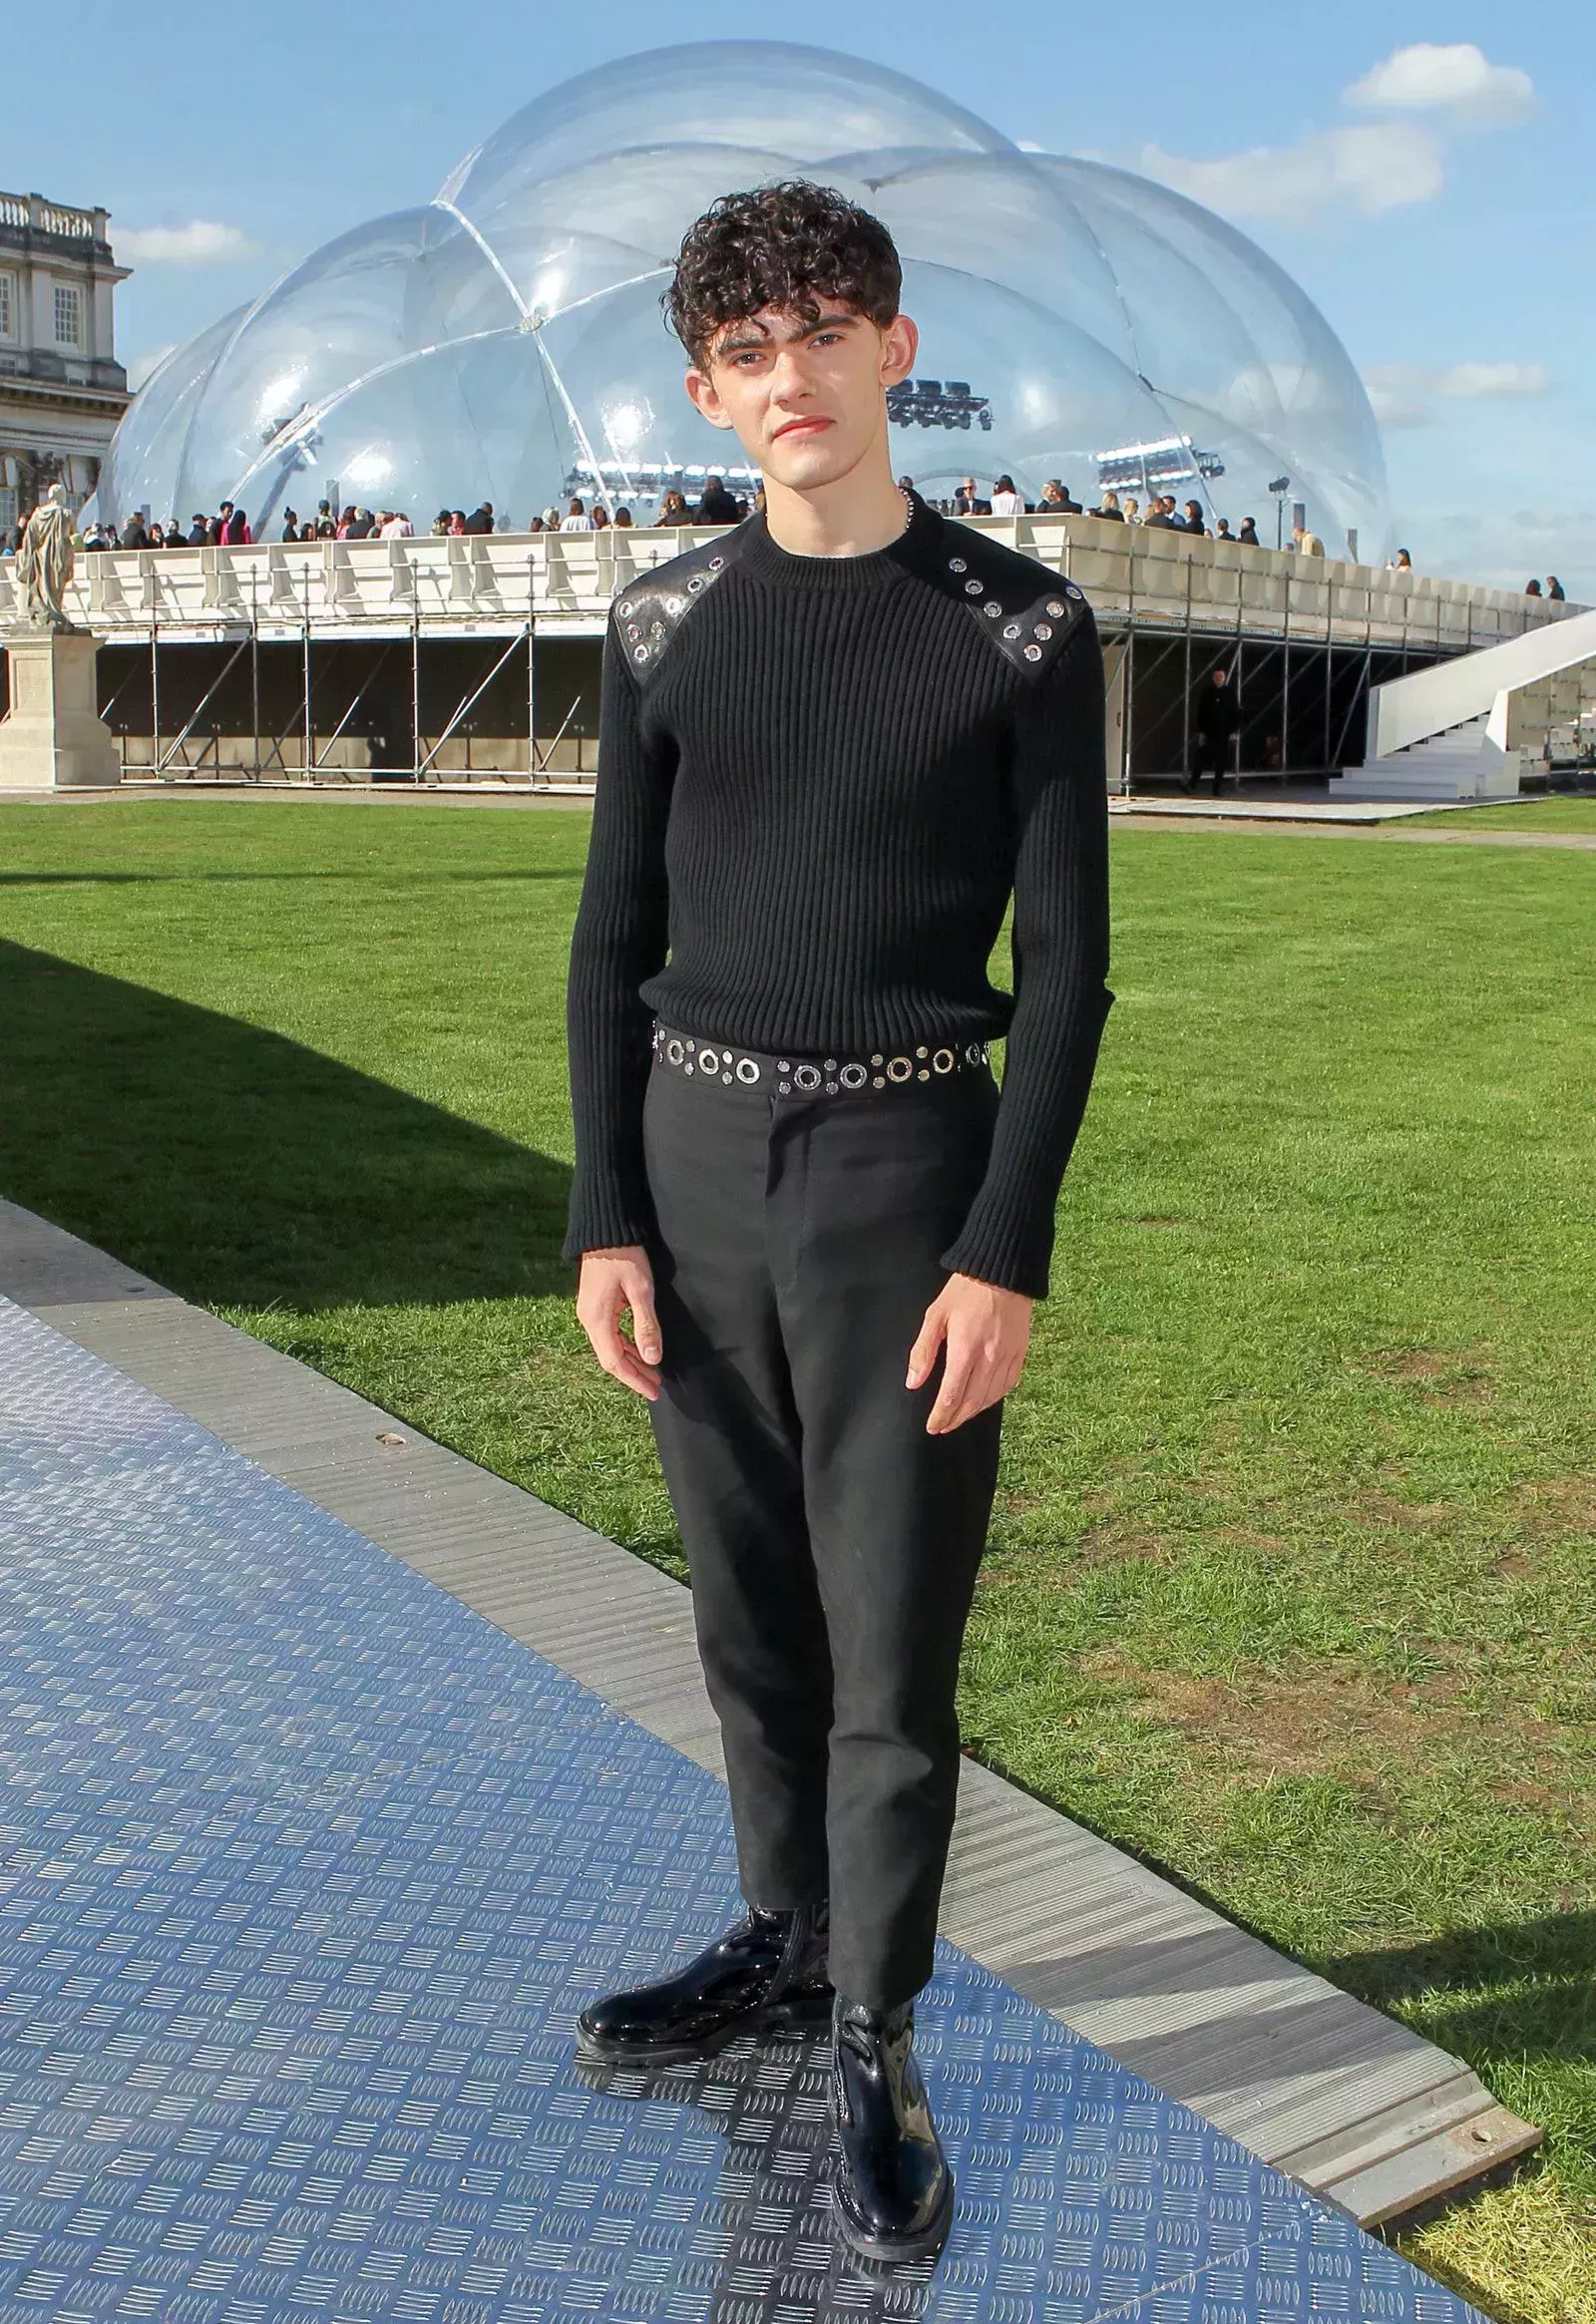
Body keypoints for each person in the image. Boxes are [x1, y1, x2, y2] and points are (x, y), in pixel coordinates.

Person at [563, 177, 1112, 2269]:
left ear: (893, 347)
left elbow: (1060, 969)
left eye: (820, 330)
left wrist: (1003, 1247)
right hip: (691, 1173)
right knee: (744, 1622)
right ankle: (783, 1947)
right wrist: (607, 1210)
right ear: (707, 397)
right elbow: (613, 936)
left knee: (889, 1643)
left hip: (901, 1183)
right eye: (743, 351)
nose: (786, 376)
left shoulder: (1018, 629)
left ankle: (876, 2027)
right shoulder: (659, 624)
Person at [1189, 664, 1241, 795]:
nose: (1219, 678)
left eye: (1221, 676)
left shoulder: (1230, 694)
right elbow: (1201, 713)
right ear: (1213, 678)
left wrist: (1234, 732)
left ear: (1224, 678)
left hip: (1224, 734)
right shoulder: (1207, 693)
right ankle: (1192, 784)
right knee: (1201, 759)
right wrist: (1201, 732)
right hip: (1209, 733)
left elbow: (1235, 713)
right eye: (1217, 676)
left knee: (1221, 763)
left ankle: (1216, 789)